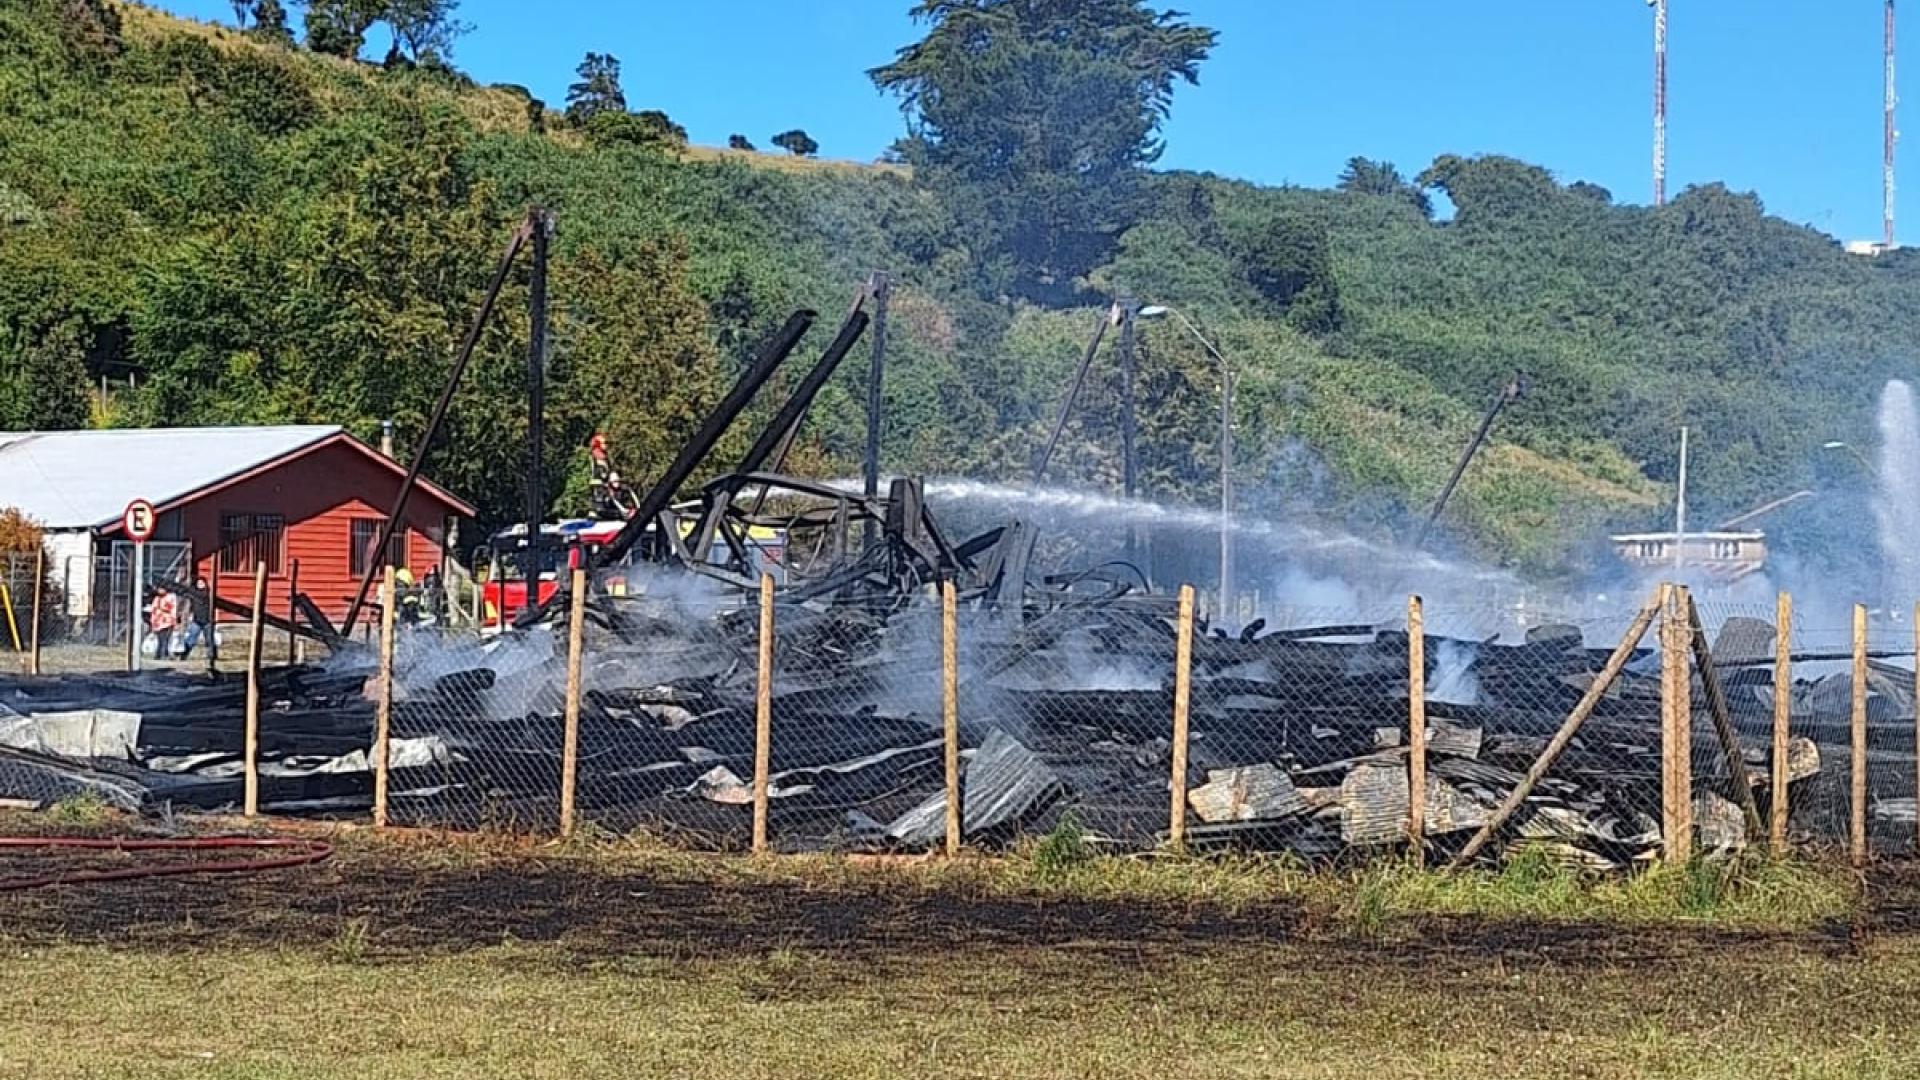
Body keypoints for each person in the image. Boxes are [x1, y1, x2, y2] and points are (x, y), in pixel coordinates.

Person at [174, 576, 210, 659]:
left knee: (209, 640)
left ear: (205, 584)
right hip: (196, 620)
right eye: (198, 583)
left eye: (202, 583)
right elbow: (188, 603)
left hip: (208, 620)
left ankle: (211, 656)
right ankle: (184, 655)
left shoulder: (209, 594)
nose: (200, 585)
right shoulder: (193, 595)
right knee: (191, 639)